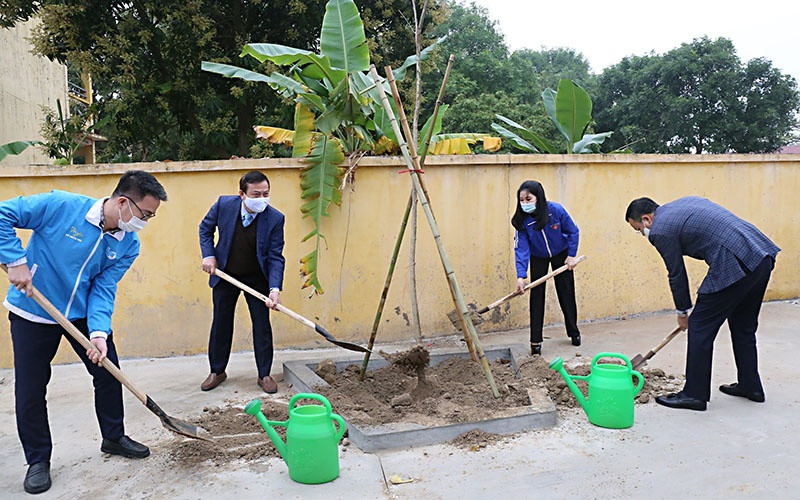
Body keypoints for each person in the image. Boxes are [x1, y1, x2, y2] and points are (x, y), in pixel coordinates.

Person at [0, 170, 167, 494]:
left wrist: (99, 333)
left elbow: (104, 289)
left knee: (108, 371)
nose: (145, 222)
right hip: (34, 310)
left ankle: (113, 436)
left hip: (80, 314)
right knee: (32, 388)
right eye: (145, 214)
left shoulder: (127, 244)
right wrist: (16, 260)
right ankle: (38, 460)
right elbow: (2, 213)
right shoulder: (60, 206)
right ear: (123, 202)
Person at [625, 196, 780, 411]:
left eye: (638, 229)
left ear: (646, 219)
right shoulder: (680, 205)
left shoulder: (660, 229)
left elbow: (676, 273)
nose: (642, 234)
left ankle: (694, 395)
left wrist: (682, 312)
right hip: (759, 253)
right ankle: (750, 386)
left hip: (734, 261)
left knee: (699, 326)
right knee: (743, 326)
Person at [199, 171, 285, 394]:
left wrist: (275, 289)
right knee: (221, 322)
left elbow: (276, 256)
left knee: (261, 324)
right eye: (256, 194)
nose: (262, 198)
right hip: (225, 273)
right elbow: (205, 229)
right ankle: (217, 371)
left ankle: (264, 374)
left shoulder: (275, 218)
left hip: (256, 277)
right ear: (242, 194)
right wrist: (208, 255)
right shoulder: (223, 205)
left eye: (266, 193)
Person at [512, 180, 581, 356]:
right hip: (538, 256)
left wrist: (571, 255)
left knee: (566, 293)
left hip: (561, 253)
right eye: (522, 200)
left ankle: (574, 332)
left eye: (529, 199)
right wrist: (521, 276)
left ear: (539, 197)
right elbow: (521, 249)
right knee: (536, 297)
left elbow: (573, 231)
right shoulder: (522, 221)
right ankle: (536, 341)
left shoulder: (556, 211)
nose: (525, 203)